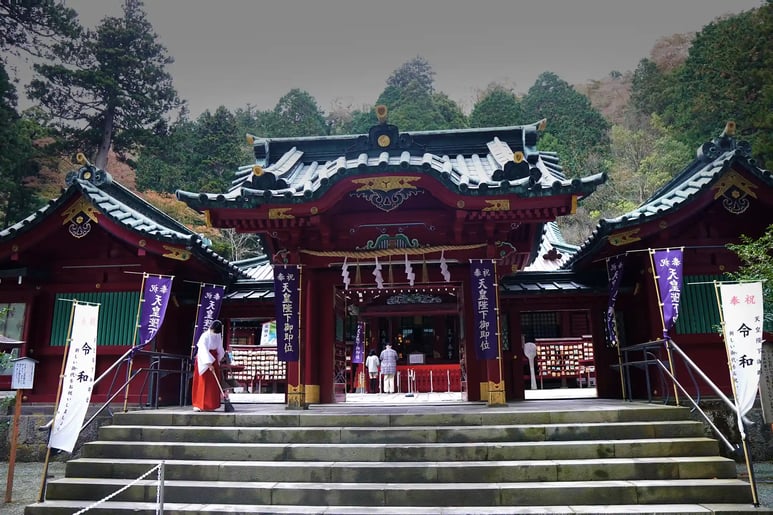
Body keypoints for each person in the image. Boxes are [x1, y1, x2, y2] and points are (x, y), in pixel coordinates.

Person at [192, 320, 225, 411]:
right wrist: (209, 363)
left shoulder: (218, 336)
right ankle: (199, 404)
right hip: (204, 359)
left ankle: (212, 405)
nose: (214, 333)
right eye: (214, 331)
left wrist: (220, 357)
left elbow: (219, 348)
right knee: (202, 382)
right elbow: (202, 350)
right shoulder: (205, 336)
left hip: (214, 358)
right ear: (211, 328)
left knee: (213, 384)